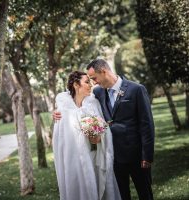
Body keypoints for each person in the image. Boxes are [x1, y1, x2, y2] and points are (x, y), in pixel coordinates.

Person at [54, 59, 155, 200]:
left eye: (94, 78)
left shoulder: (136, 89)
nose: (94, 82)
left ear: (104, 72)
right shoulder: (98, 93)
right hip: (113, 156)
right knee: (122, 195)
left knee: (145, 194)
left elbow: (146, 124)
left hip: (136, 155)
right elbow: (73, 97)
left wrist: (147, 155)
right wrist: (58, 112)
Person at [53, 71, 121, 200]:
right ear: (76, 85)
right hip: (72, 158)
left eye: (90, 81)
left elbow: (102, 132)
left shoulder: (93, 103)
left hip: (93, 156)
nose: (90, 85)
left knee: (95, 187)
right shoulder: (63, 105)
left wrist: (96, 135)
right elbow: (60, 136)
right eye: (86, 82)